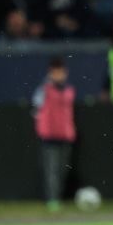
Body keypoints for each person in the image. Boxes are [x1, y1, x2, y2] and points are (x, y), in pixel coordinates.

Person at [32, 57, 77, 212]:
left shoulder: (69, 90)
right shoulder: (43, 90)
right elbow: (37, 110)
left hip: (65, 135)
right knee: (51, 170)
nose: (58, 75)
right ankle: (52, 200)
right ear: (50, 73)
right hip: (49, 135)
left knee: (62, 170)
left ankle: (58, 198)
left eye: (61, 72)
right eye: (55, 72)